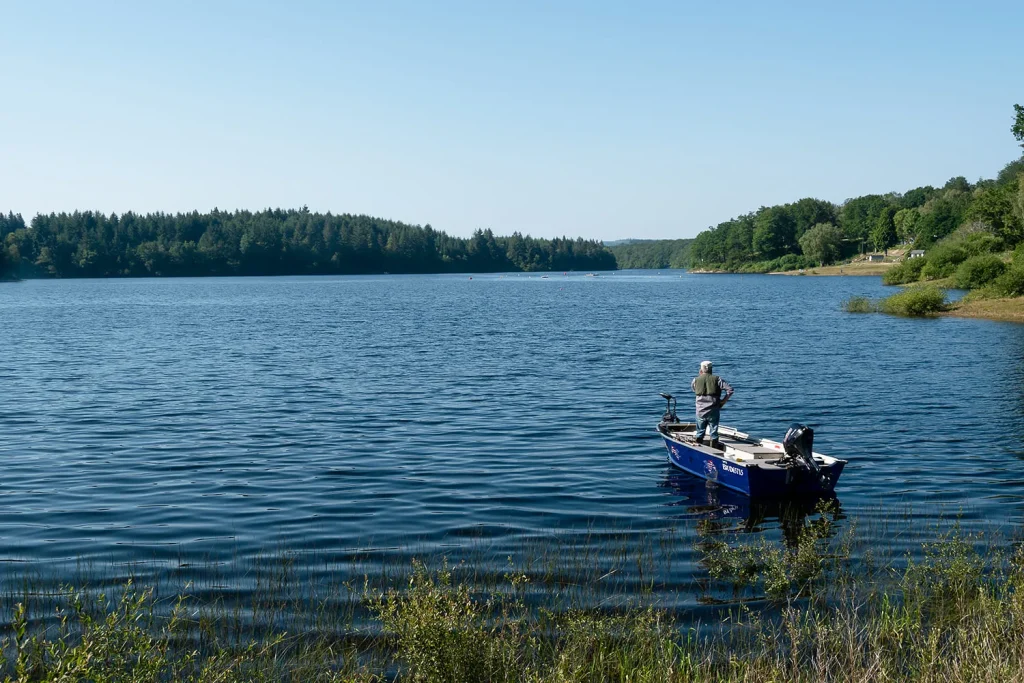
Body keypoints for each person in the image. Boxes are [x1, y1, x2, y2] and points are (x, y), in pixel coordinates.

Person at [690, 360, 733, 449]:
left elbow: (694, 390)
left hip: (700, 410)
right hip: (714, 409)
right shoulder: (717, 379)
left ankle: (698, 448)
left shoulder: (695, 380)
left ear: (700, 370)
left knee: (700, 432)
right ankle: (714, 449)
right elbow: (730, 390)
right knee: (714, 432)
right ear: (711, 369)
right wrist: (723, 401)